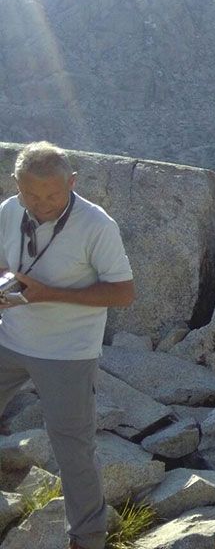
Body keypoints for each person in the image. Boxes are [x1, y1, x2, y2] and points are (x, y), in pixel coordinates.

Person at [0, 142, 135, 549]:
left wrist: (50, 294)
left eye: (52, 195)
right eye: (31, 194)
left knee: (73, 449)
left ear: (72, 183)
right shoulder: (8, 209)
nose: (41, 204)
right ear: (15, 185)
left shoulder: (98, 225)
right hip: (8, 338)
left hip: (67, 354)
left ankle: (88, 539)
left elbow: (124, 292)